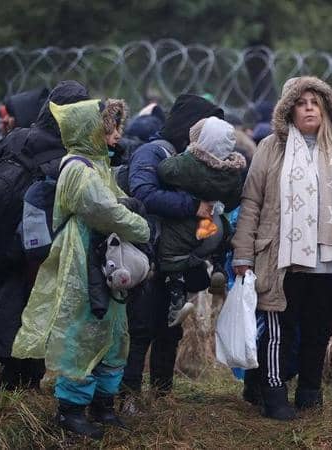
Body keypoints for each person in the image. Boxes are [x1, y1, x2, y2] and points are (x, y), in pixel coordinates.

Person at [232, 76, 332, 421]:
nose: (309, 107)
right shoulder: (270, 147)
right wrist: (242, 253)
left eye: (316, 101)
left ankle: (310, 391)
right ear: (288, 110)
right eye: (301, 102)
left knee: (318, 328)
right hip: (281, 257)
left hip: (327, 257)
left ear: (326, 107)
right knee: (281, 327)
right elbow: (252, 202)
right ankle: (273, 392)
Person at [11, 99, 150, 440]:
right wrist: (141, 227)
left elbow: (115, 201)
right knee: (83, 332)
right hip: (82, 259)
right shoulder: (77, 169)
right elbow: (104, 210)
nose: (117, 136)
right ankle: (70, 410)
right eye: (110, 129)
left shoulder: (98, 164)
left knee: (113, 333)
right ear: (91, 130)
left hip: (104, 258)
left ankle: (103, 405)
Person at [0, 81, 91, 392]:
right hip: (43, 246)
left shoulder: (17, 137)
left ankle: (10, 380)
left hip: (3, 239)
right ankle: (25, 381)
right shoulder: (67, 152)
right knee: (39, 309)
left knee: (10, 306)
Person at [122, 94, 222, 400]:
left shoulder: (188, 161)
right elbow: (144, 193)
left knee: (169, 330)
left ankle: (161, 396)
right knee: (142, 329)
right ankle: (128, 396)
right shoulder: (152, 153)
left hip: (174, 261)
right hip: (148, 257)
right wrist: (194, 205)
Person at [156, 116, 246, 326]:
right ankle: (218, 268)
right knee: (218, 245)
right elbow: (233, 201)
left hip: (188, 227)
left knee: (171, 254)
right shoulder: (232, 174)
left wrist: (185, 154)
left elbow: (164, 169)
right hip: (216, 227)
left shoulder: (190, 163)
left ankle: (176, 301)